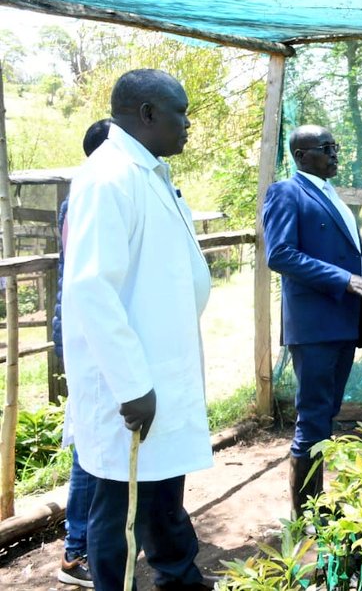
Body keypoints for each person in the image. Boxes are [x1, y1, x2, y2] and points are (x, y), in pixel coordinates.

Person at [62, 69, 216, 591]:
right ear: (148, 114)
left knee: (158, 496)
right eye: (181, 112)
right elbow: (91, 289)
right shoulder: (108, 176)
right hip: (134, 385)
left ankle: (178, 577)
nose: (188, 124)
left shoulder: (146, 172)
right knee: (122, 509)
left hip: (160, 372)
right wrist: (132, 386)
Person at [262, 125, 362, 517]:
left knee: (326, 412)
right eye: (326, 148)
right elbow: (280, 254)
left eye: (336, 147)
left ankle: (316, 503)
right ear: (301, 155)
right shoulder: (287, 192)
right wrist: (345, 278)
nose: (335, 155)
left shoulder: (329, 193)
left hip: (342, 321)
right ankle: (305, 517)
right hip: (315, 325)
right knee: (313, 415)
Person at [53, 118, 110, 588]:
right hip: (86, 335)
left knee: (103, 439)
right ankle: (76, 549)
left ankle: (98, 539)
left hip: (95, 332)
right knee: (90, 446)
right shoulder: (89, 196)